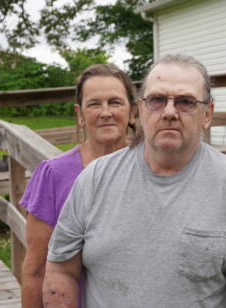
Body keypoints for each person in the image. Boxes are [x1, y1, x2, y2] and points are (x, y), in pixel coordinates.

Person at [43, 55, 226, 307]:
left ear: (207, 114)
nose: (170, 112)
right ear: (140, 110)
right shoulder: (94, 179)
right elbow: (61, 271)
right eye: (157, 100)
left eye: (185, 102)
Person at [19, 63, 137, 307]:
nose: (105, 112)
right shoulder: (54, 175)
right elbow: (35, 269)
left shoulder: (149, 168)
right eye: (94, 104)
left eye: (115, 102)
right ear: (80, 115)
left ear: (133, 112)